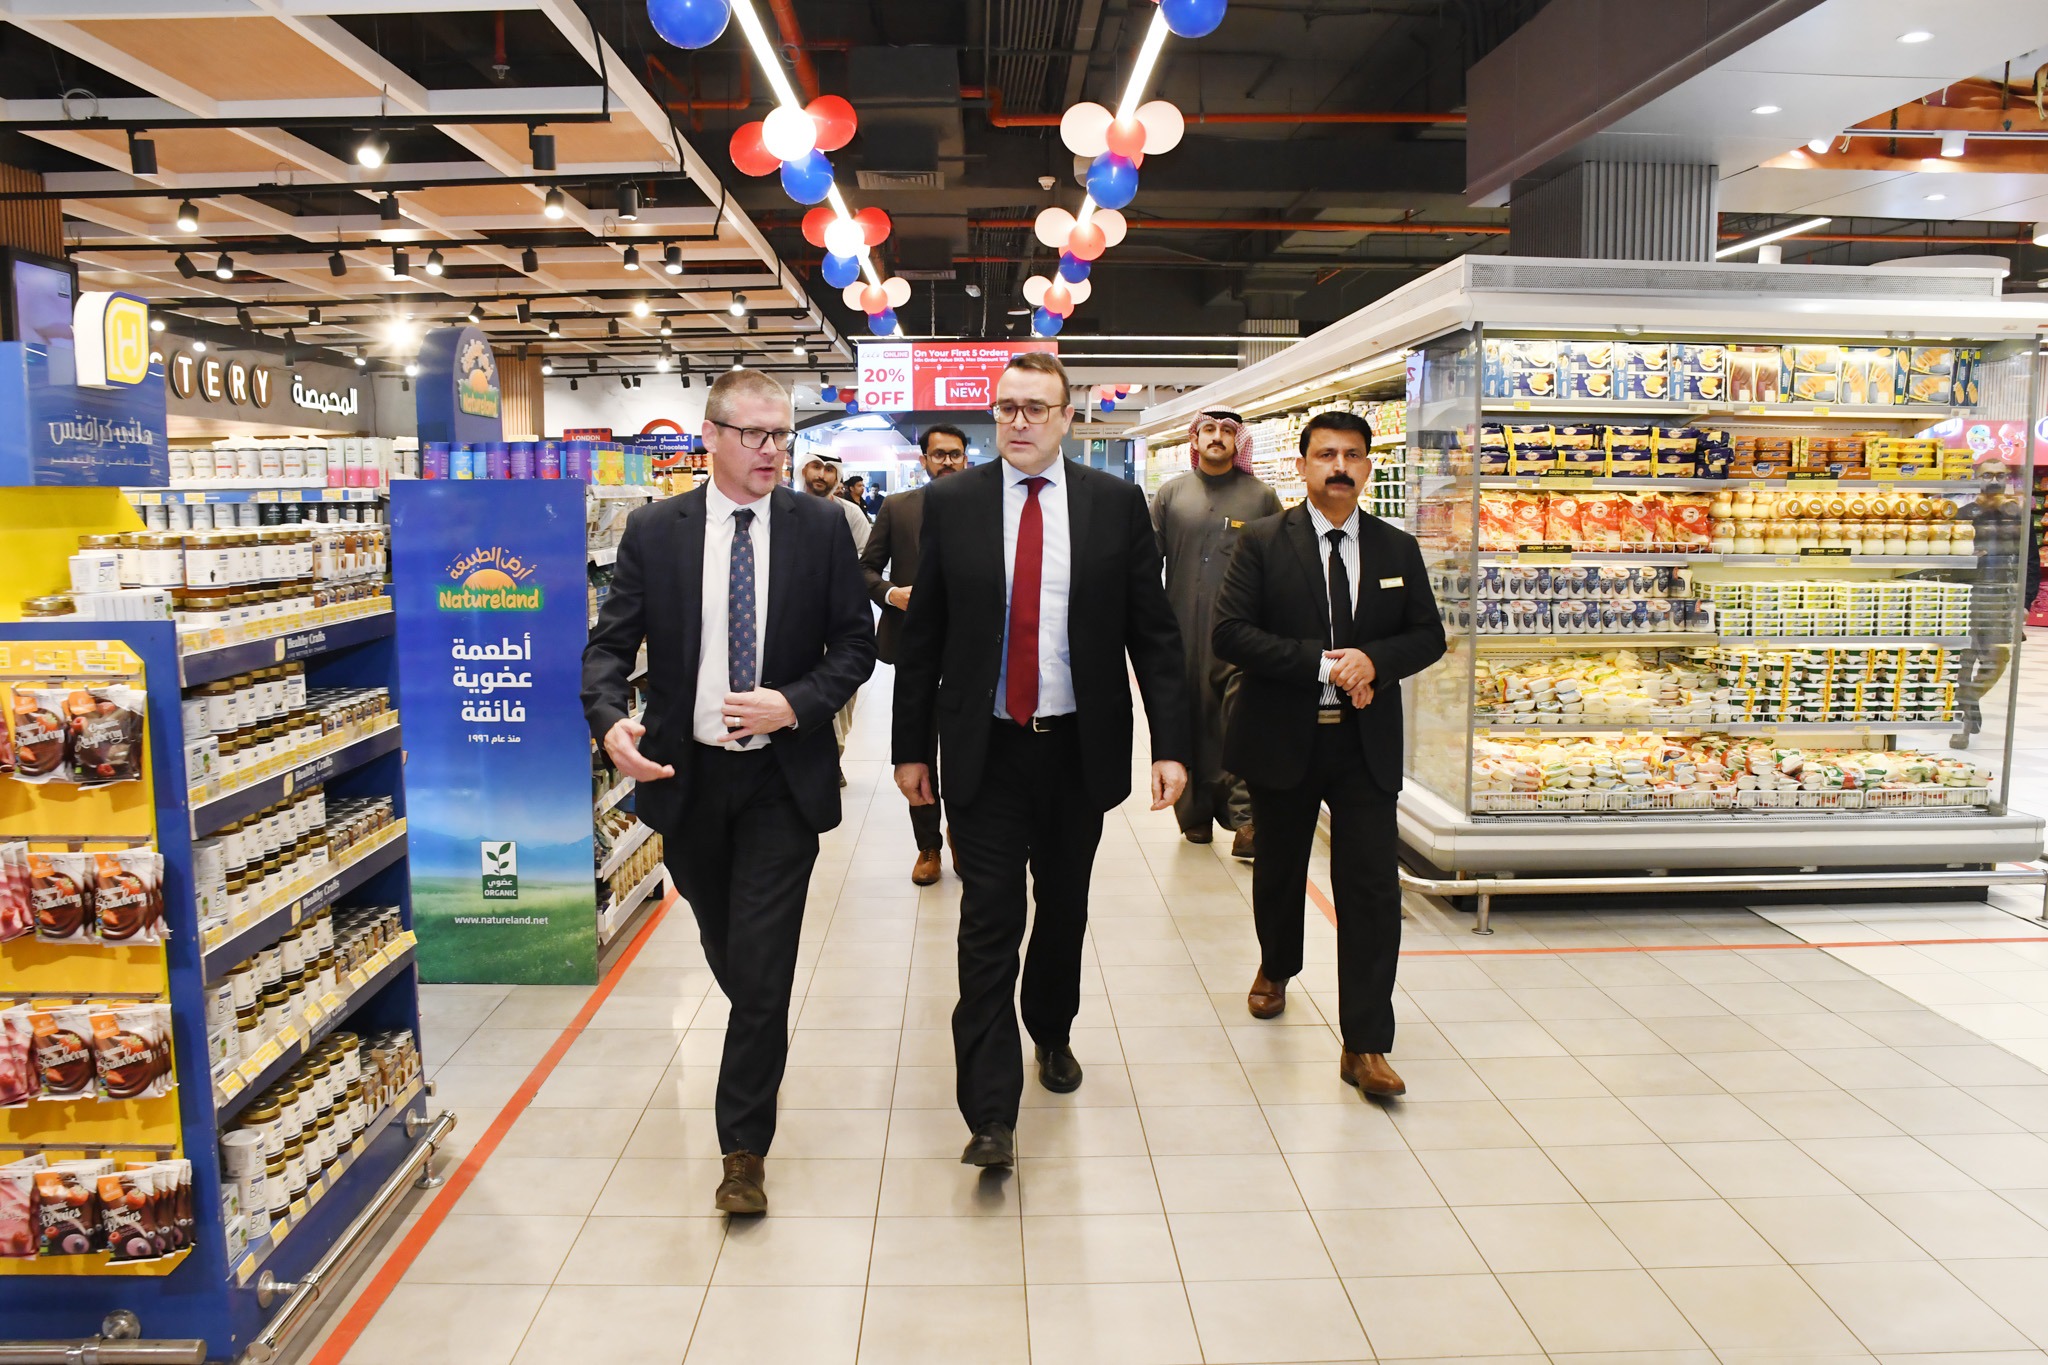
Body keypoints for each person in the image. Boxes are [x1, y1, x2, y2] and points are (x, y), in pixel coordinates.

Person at [583, 369, 875, 1213]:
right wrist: (609, 720)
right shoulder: (656, 530)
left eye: (781, 434)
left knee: (765, 960)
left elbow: (855, 647)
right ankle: (757, 1025)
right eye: (752, 434)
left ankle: (742, 1148)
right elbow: (610, 647)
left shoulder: (820, 527)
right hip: (690, 777)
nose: (770, 450)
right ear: (709, 435)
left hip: (783, 778)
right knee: (734, 947)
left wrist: (796, 702)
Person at [892, 352, 1191, 1169]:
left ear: (1067, 418)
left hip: (1076, 748)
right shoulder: (952, 502)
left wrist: (1171, 744)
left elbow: (1153, 634)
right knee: (988, 920)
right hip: (985, 747)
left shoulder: (1114, 505)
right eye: (1006, 407)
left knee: (1062, 907)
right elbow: (924, 638)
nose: (1017, 421)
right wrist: (910, 749)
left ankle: (1051, 1028)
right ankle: (990, 1113)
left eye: (1035, 408)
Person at [1213, 410, 1444, 1100]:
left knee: (1371, 888)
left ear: (1368, 467)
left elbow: (1428, 635)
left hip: (1363, 743)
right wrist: (1325, 664)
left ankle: (1365, 1042)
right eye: (1325, 455)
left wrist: (1374, 660)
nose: (1339, 466)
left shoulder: (1398, 548)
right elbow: (1231, 632)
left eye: (1351, 455)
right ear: (1302, 466)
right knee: (1281, 868)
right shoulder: (1261, 541)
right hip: (1283, 734)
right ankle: (1277, 964)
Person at [1151, 409, 1281, 860]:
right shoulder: (1171, 495)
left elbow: (1279, 567)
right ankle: (1194, 815)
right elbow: (1145, 563)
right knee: (1186, 719)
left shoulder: (1261, 497)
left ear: (1238, 441)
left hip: (1242, 633)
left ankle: (1246, 820)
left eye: (1227, 431)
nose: (1217, 437)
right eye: (1209, 429)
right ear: (1196, 438)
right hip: (1180, 631)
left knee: (1240, 721)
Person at [859, 423, 970, 885]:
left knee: (968, 749)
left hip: (972, 650)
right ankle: (928, 845)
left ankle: (963, 835)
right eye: (938, 454)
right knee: (917, 748)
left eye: (955, 454)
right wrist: (891, 594)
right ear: (923, 460)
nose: (947, 462)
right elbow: (865, 569)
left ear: (966, 458)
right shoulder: (898, 507)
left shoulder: (988, 506)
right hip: (914, 647)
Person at [798, 451, 870, 781]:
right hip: (797, 619)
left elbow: (865, 560)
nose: (821, 475)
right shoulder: (783, 508)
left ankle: (834, 755)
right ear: (803, 469)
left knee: (841, 689)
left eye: (829, 470)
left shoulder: (849, 514)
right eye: (816, 467)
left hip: (840, 618)